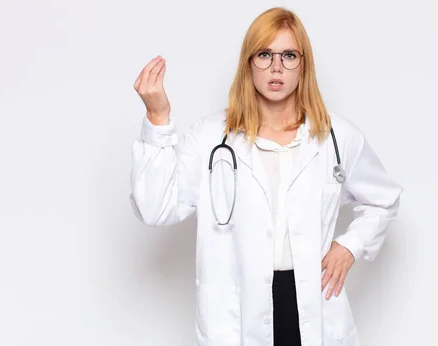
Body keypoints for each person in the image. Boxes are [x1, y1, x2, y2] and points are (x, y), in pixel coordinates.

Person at [129, 7, 403, 346]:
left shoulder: (336, 136)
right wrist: (158, 119)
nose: (277, 67)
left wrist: (350, 245)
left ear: (304, 64)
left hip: (311, 302)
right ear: (248, 63)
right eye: (265, 55)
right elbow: (155, 208)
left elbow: (383, 200)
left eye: (289, 55)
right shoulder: (210, 138)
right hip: (237, 308)